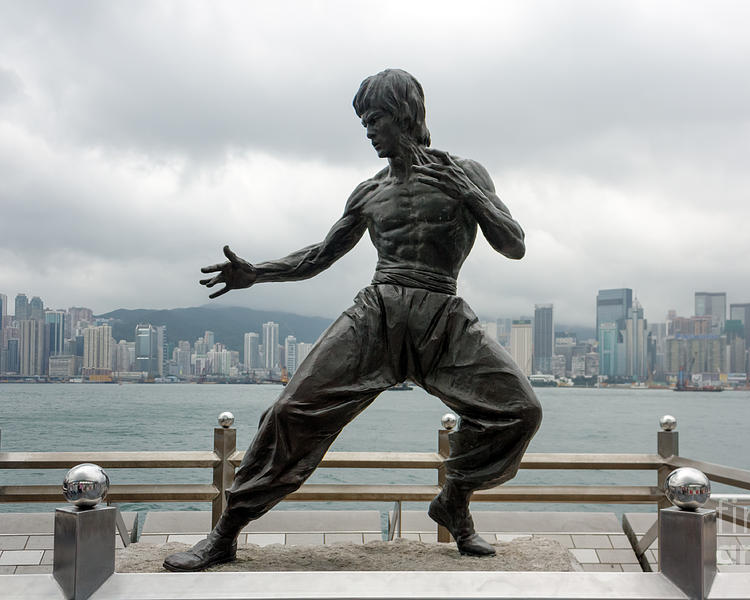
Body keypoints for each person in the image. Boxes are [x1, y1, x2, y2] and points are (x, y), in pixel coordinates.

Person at [163, 69, 542, 571]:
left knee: (519, 411)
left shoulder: (466, 171)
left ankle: (454, 499)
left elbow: (513, 244)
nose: (368, 130)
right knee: (289, 413)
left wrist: (470, 192)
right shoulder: (367, 193)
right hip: (377, 315)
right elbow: (320, 256)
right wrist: (258, 273)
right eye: (364, 121)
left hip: (441, 316)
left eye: (376, 118)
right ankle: (226, 532)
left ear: (404, 114)